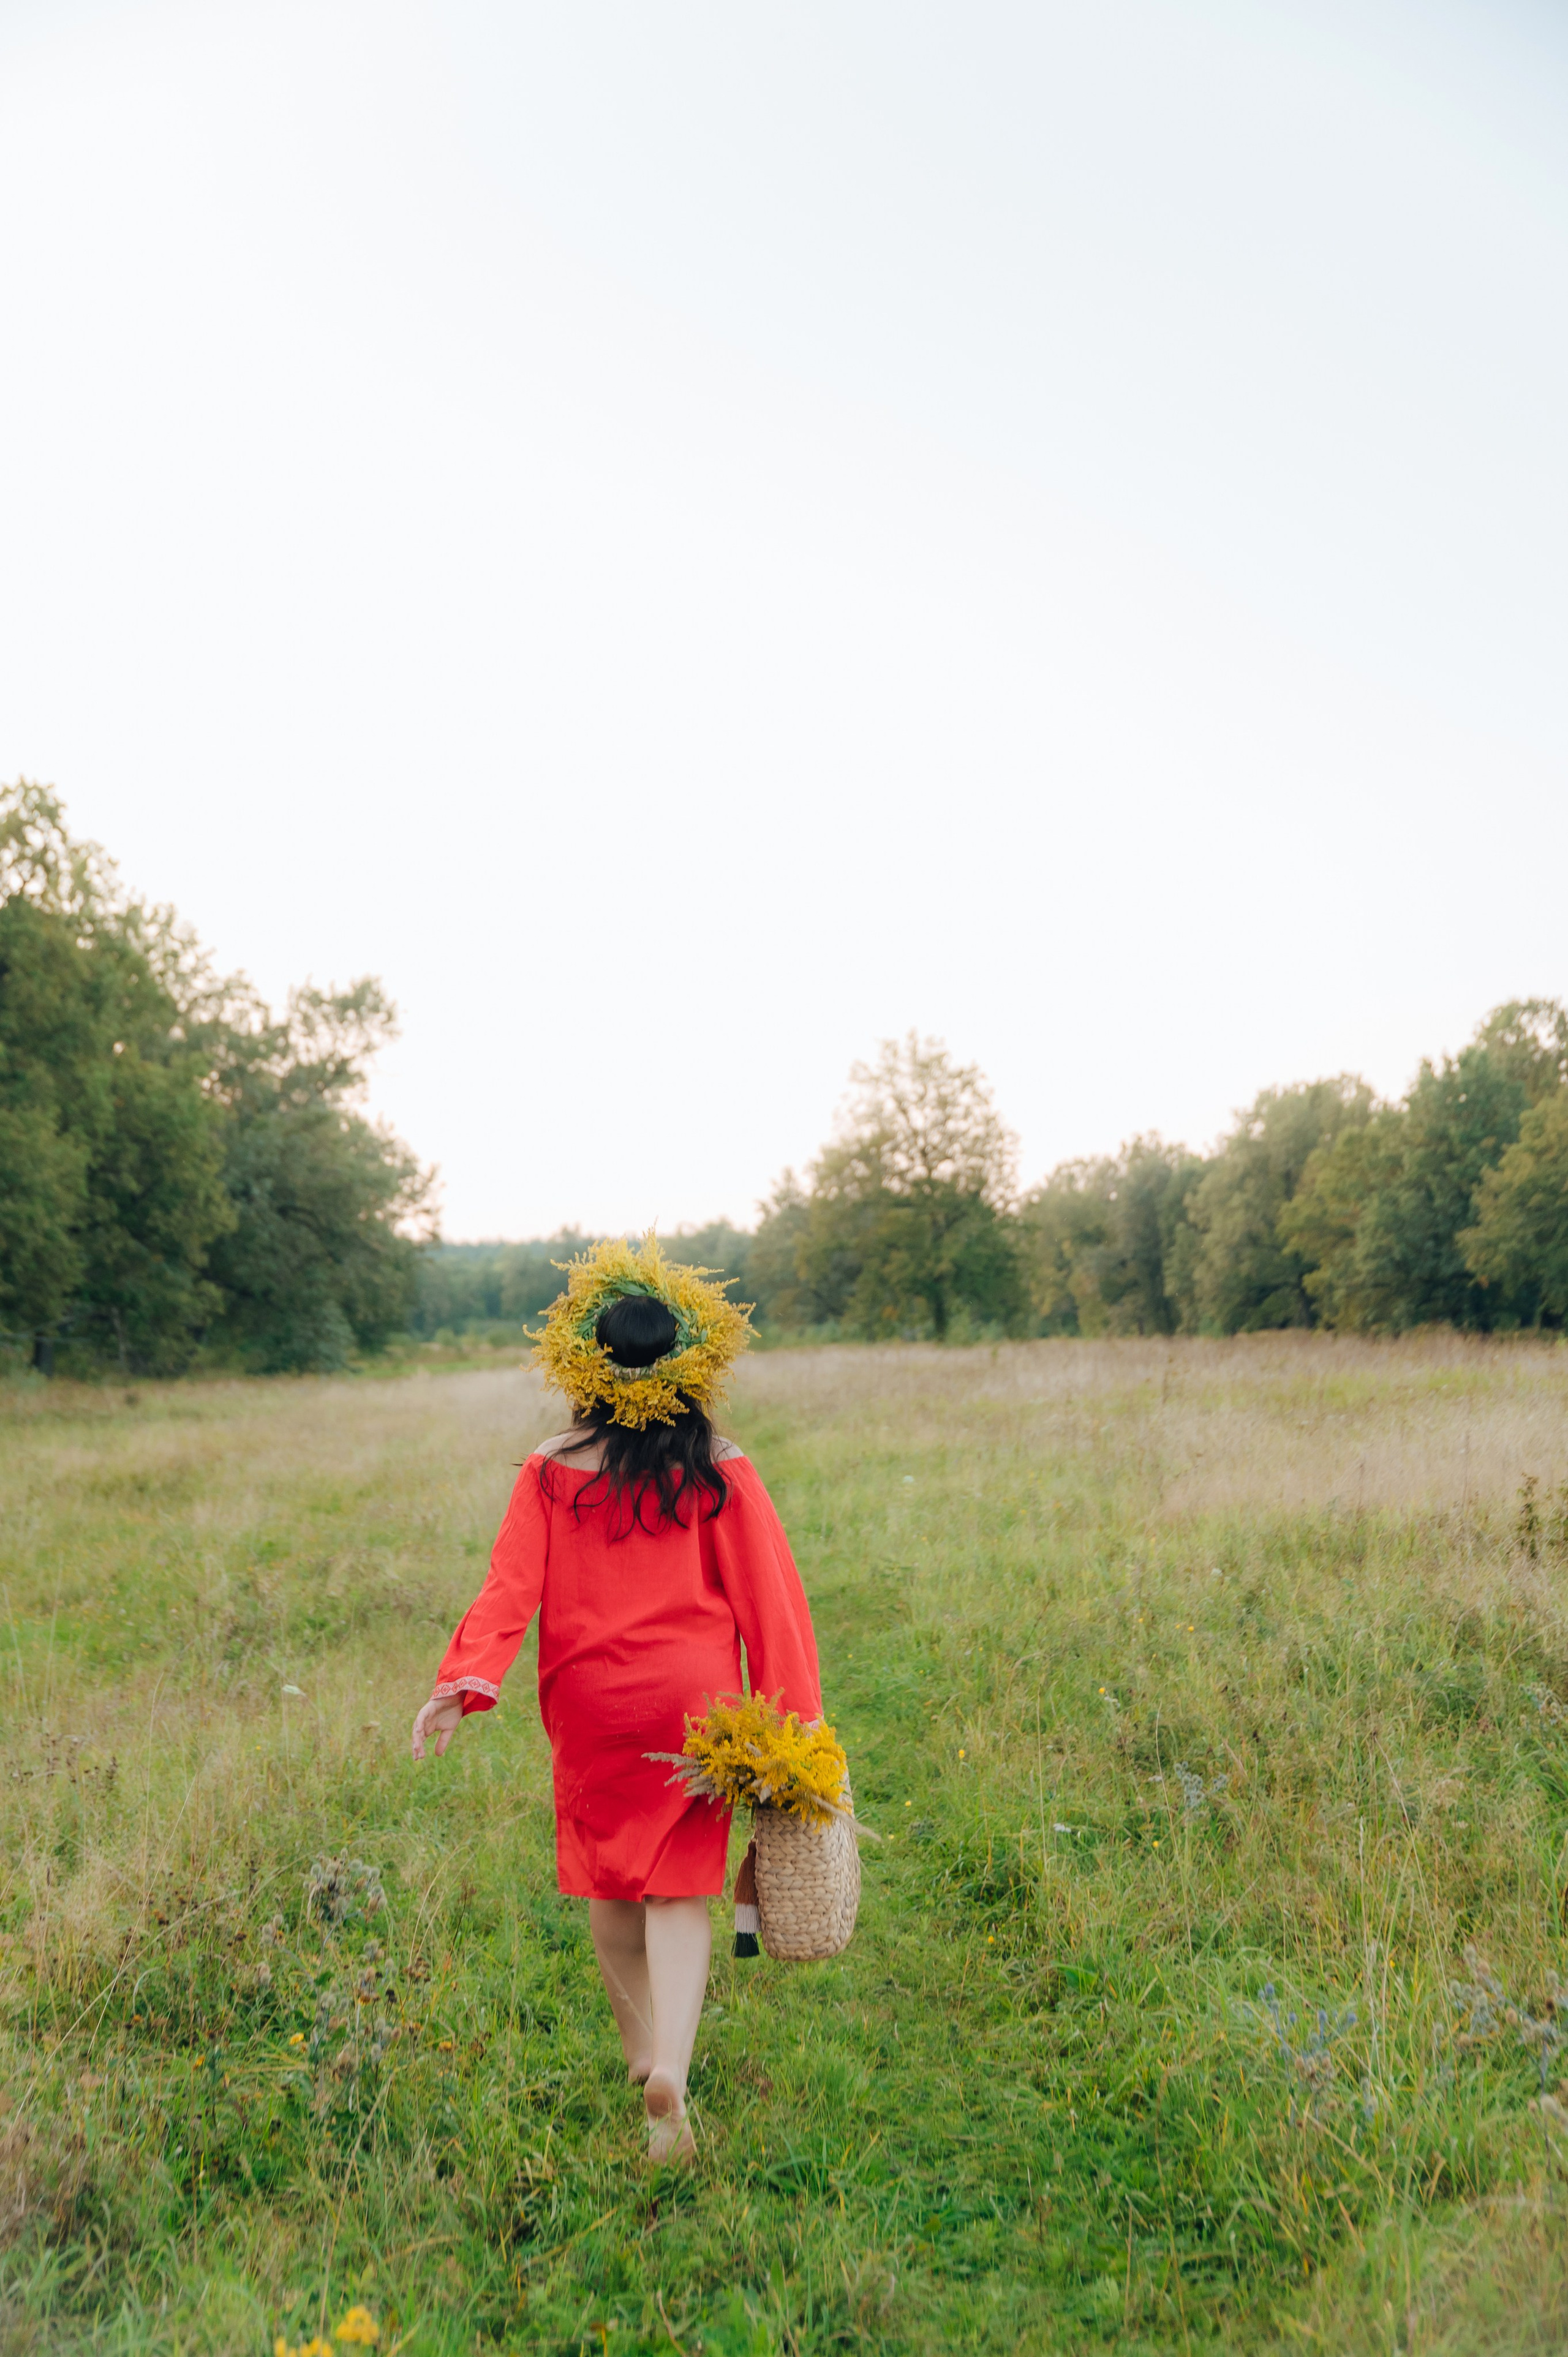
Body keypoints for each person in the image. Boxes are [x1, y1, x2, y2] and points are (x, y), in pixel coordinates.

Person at [409, 1237, 822, 2163]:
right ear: (690, 1361)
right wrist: (796, 1727)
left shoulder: (552, 1466)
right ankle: (671, 2065)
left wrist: (463, 1683)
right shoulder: (720, 1464)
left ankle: (640, 2055)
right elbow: (771, 1602)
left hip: (591, 1702)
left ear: (587, 1364)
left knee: (609, 1882)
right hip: (695, 1706)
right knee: (678, 1891)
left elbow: (509, 1587)